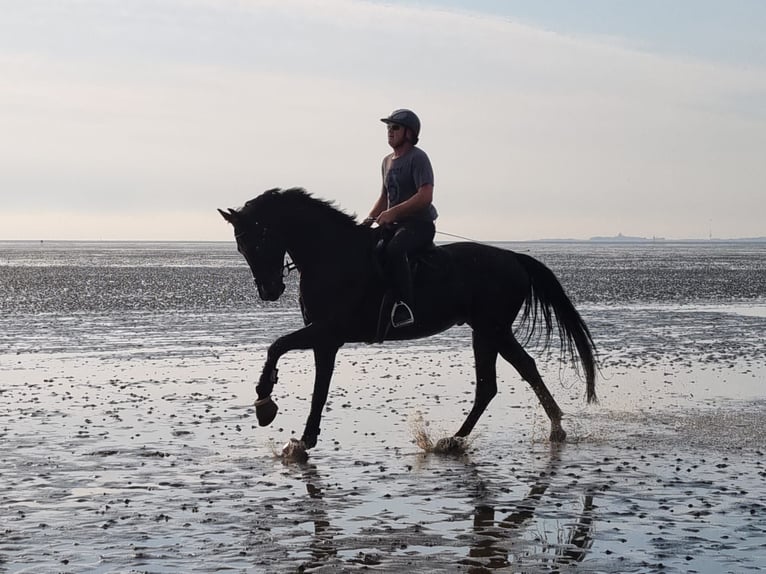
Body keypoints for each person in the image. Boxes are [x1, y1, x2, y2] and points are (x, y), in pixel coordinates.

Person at [362, 109, 438, 328]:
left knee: (394, 250)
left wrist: (393, 213)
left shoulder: (418, 158)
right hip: (394, 225)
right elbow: (385, 196)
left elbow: (425, 195)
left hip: (419, 226)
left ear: (409, 133)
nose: (390, 131)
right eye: (388, 127)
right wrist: (368, 221)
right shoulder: (386, 161)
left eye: (395, 127)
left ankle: (405, 306)